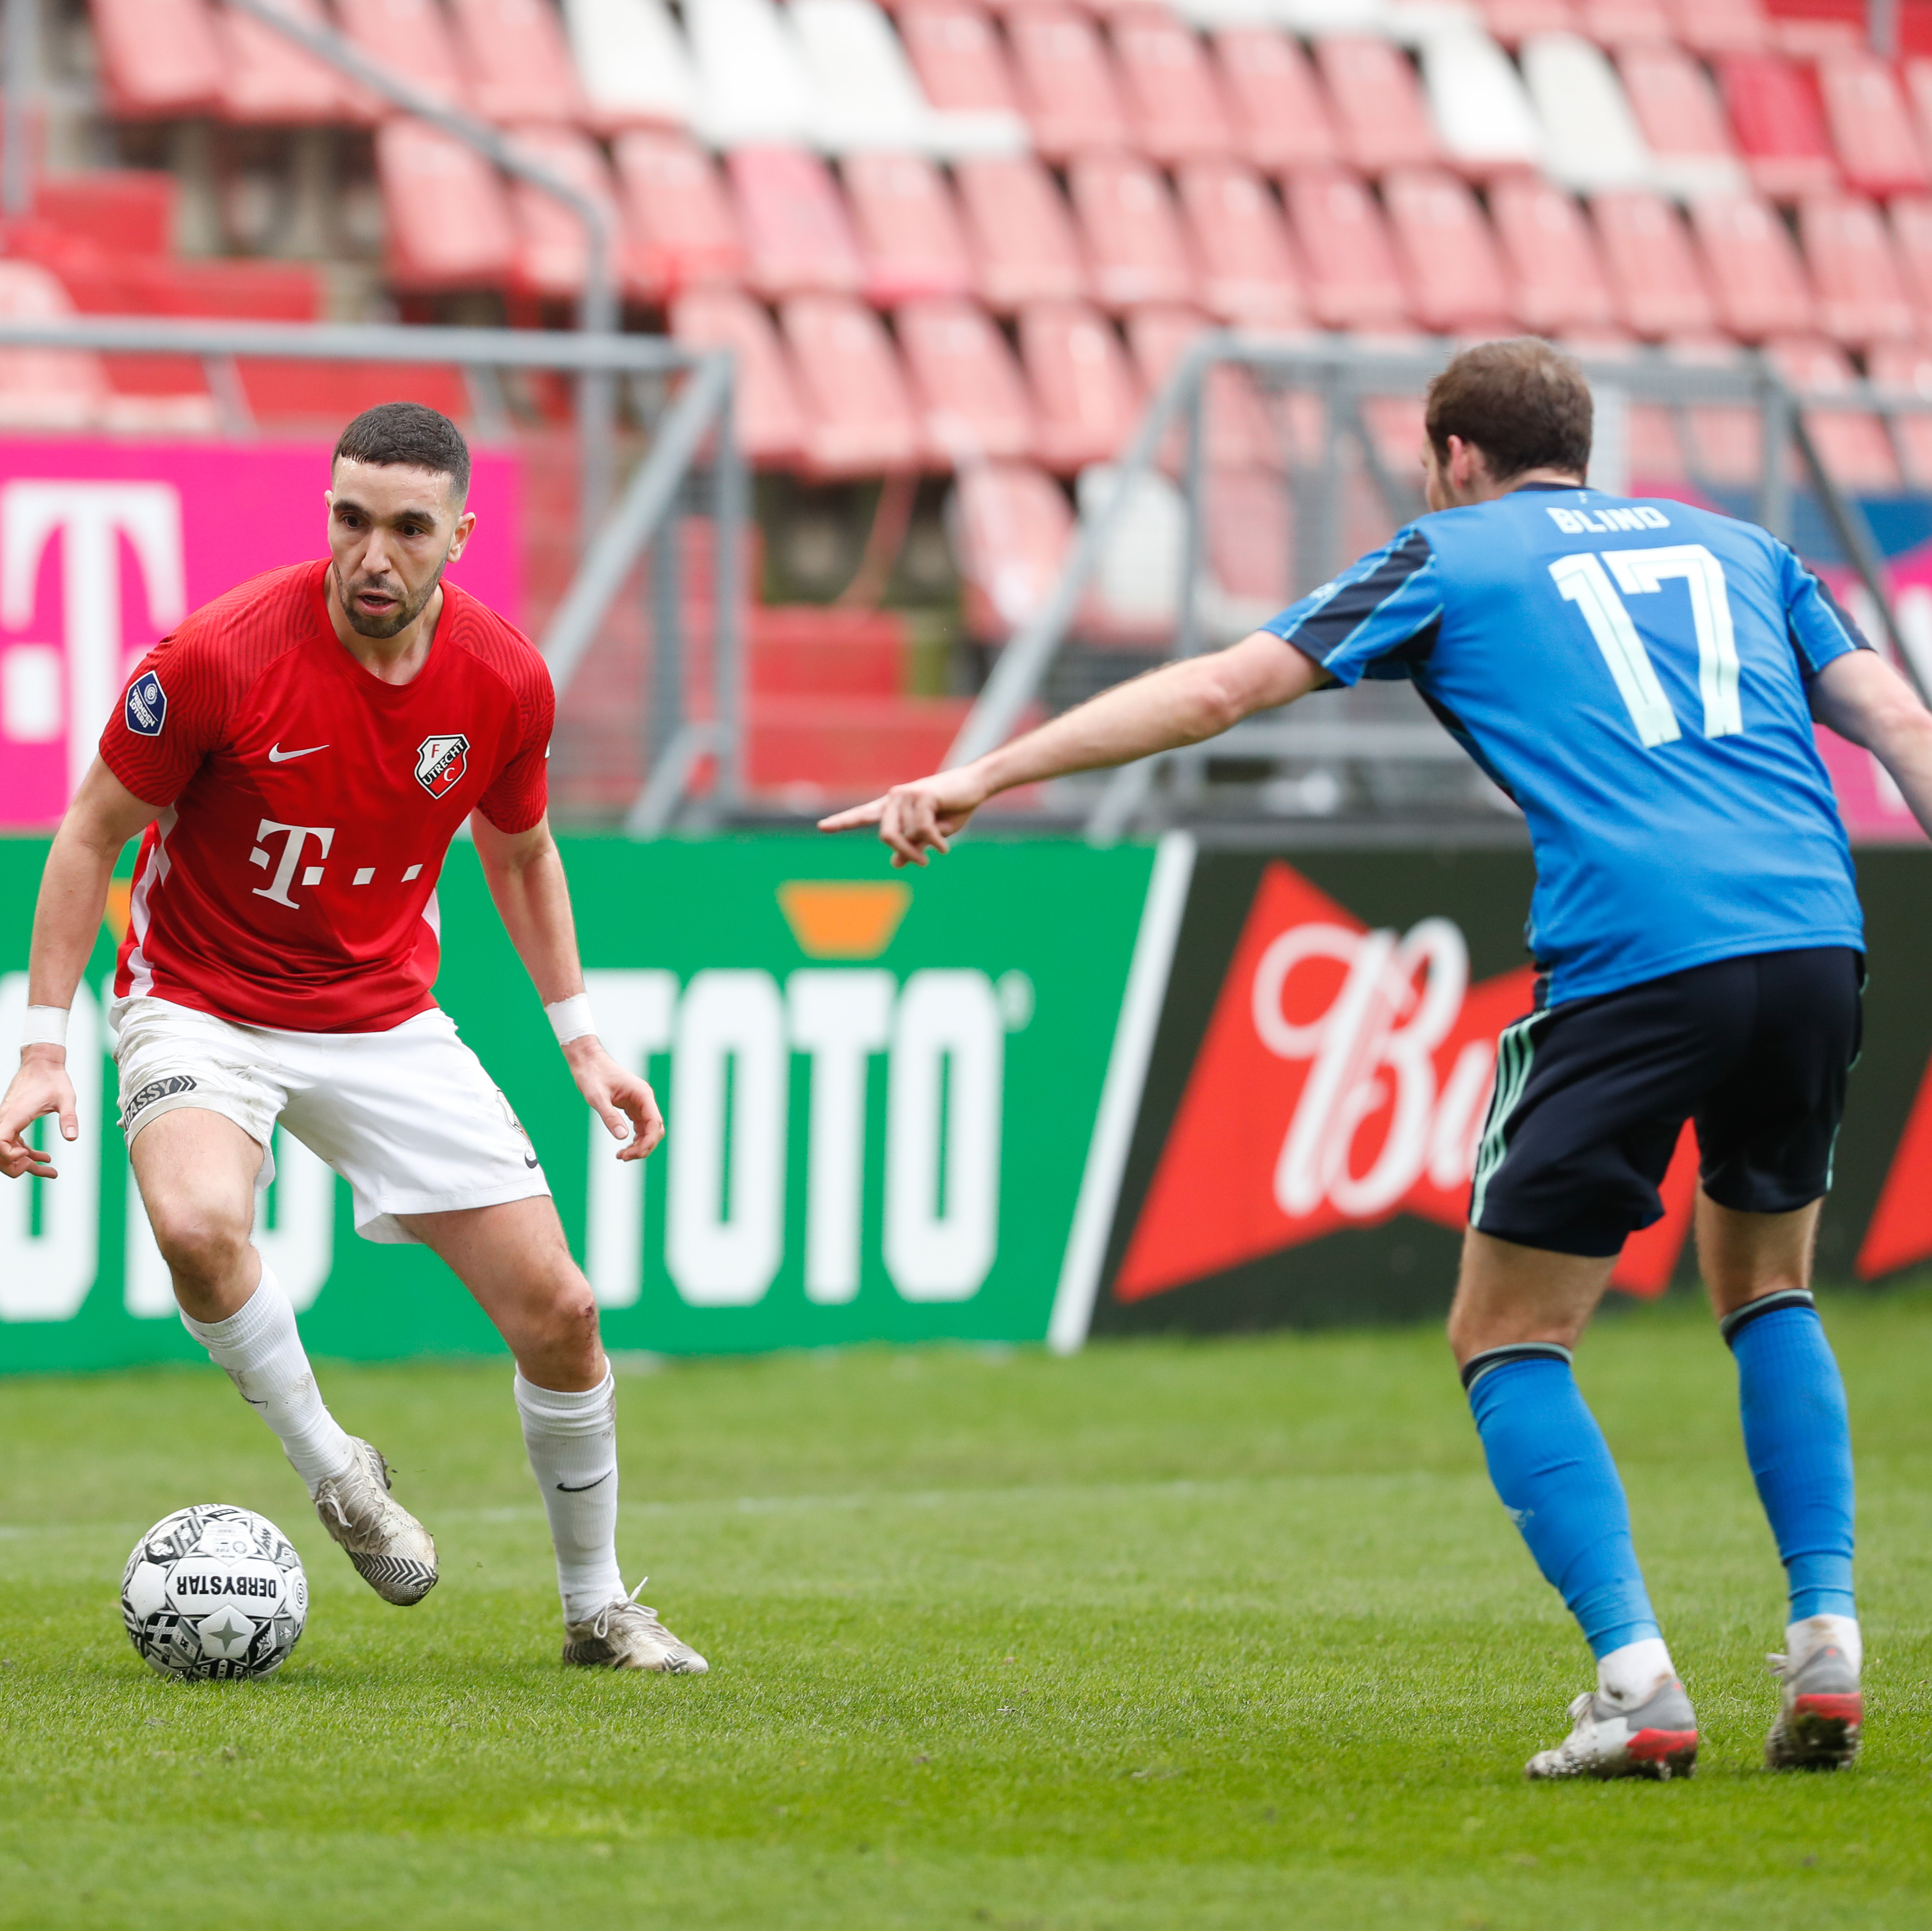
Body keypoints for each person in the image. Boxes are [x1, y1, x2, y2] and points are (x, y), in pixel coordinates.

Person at [825, 338, 1932, 1780]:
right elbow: (1901, 724)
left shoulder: (1452, 552)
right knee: (1770, 1285)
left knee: (1511, 1335)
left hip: (1640, 953)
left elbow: (1223, 690)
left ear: (1450, 453)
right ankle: (1828, 1638)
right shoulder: (1747, 549)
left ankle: (1637, 1679)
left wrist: (980, 773)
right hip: (1814, 937)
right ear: (1583, 445)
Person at [0, 402, 705, 1674]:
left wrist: (581, 1038)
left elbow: (522, 848)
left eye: (409, 529)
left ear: (460, 536)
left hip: (384, 1020)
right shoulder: (215, 657)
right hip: (201, 995)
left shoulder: (503, 679)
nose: (374, 556)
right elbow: (89, 833)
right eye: (351, 520)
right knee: (201, 1232)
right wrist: (46, 1046)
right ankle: (338, 1473)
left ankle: (597, 1609)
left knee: (565, 1315)